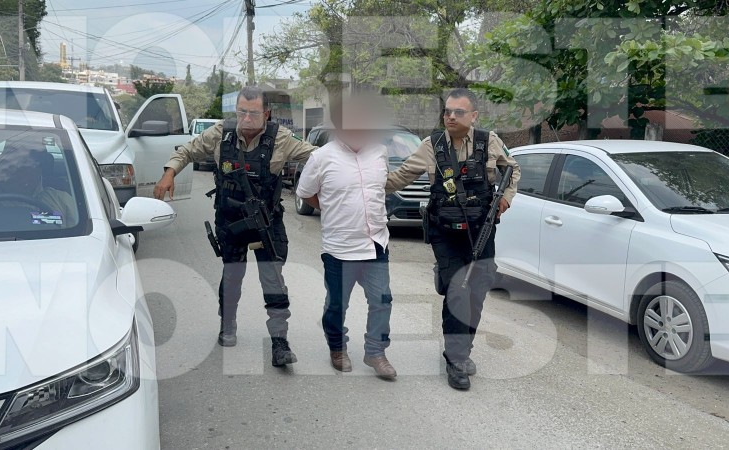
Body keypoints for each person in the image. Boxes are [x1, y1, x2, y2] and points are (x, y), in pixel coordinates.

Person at [154, 86, 317, 367]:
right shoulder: (221, 132)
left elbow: (319, 158)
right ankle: (227, 323)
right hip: (231, 219)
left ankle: (279, 342)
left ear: (266, 113)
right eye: (242, 112)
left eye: (253, 113)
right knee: (232, 275)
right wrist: (169, 173)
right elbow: (187, 151)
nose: (246, 118)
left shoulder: (281, 138)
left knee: (273, 278)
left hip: (266, 221)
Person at [386, 88, 521, 389]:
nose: (450, 116)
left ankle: (463, 347)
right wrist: (363, 185)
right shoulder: (431, 145)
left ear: (473, 116)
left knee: (477, 290)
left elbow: (512, 170)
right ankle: (456, 358)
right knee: (458, 290)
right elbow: (401, 177)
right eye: (447, 111)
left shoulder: (489, 141)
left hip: (482, 229)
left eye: (458, 112)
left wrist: (506, 198)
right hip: (444, 230)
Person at [296, 98, 397, 379]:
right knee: (337, 305)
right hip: (339, 248)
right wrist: (332, 210)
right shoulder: (321, 157)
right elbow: (306, 193)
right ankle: (337, 348)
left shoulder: (379, 152)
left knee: (382, 302)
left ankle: (376, 352)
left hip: (376, 243)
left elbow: (379, 190)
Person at [0, 143, 77, 223]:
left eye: (24, 166)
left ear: (39, 170)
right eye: (9, 165)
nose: (15, 172)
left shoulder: (60, 199)